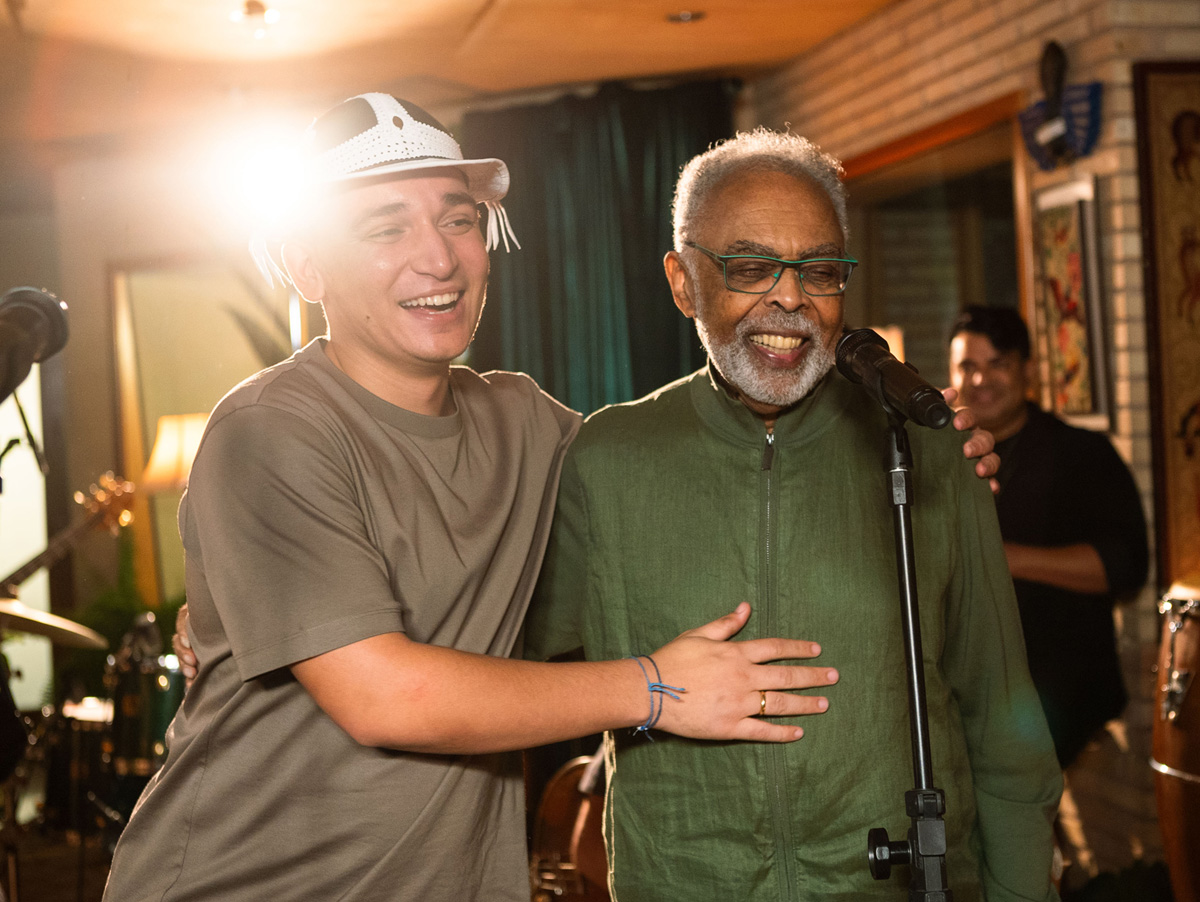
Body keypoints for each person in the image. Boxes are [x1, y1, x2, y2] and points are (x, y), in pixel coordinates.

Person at [101, 93, 846, 902]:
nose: (438, 259)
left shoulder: (524, 422)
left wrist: (910, 430)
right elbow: (382, 696)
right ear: (305, 264)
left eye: (458, 221)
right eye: (386, 228)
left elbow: (678, 466)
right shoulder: (269, 429)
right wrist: (658, 689)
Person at [523, 129, 1063, 902]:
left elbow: (1007, 733)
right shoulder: (607, 458)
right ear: (683, 283)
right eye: (749, 267)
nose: (789, 298)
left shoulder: (930, 450)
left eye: (818, 270)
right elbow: (504, 663)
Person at [947, 306, 1149, 768]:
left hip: (1065, 701)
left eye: (998, 364)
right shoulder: (938, 462)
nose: (982, 380)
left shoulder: (1082, 454)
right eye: (968, 367)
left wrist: (1005, 558)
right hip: (968, 705)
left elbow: (1125, 565)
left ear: (1028, 370)